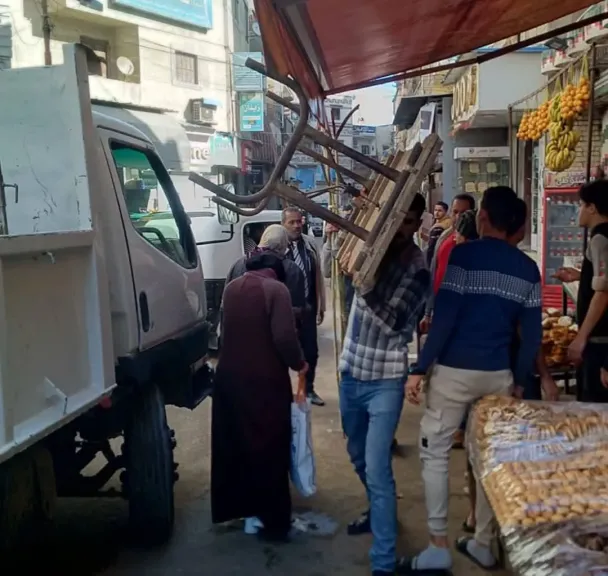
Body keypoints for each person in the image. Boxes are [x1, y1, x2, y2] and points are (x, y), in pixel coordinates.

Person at [401, 186, 542, 573]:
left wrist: (419, 368)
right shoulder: (529, 269)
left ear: (482, 218)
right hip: (498, 375)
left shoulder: (463, 256)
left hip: (454, 373)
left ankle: (437, 544)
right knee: (489, 460)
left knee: (435, 452)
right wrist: (517, 381)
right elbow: (531, 335)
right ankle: (483, 543)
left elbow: (444, 319)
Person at [339, 193, 430, 576]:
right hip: (350, 371)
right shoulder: (370, 244)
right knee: (358, 457)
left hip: (385, 380)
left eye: (408, 223)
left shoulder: (418, 268)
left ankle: (384, 562)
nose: (399, 230)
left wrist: (363, 283)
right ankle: (381, 511)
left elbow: (394, 320)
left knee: (377, 468)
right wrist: (360, 208)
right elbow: (345, 236)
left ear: (417, 224)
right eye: (396, 220)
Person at [460, 198, 558, 536]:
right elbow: (528, 333)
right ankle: (500, 518)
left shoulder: (469, 260)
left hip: (476, 371)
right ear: (518, 228)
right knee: (507, 450)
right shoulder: (523, 269)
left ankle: (478, 517)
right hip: (507, 375)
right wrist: (538, 377)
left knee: (480, 449)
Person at [211, 252, 307, 542]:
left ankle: (245, 510)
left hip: (228, 379)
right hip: (264, 381)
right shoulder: (276, 289)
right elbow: (284, 337)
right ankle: (272, 520)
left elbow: (224, 332)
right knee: (268, 446)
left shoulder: (231, 288)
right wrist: (299, 363)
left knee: (236, 444)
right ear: (275, 272)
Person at [554, 179, 608, 403]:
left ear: (592, 208)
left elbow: (604, 292)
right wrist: (580, 275)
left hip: (601, 342)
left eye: (582, 205)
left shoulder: (601, 239)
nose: (578, 211)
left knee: (595, 411)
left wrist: (581, 338)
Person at [283, 207, 326, 406]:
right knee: (282, 353)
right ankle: (281, 392)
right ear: (283, 224)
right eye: (291, 222)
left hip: (307, 309)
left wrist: (321, 305)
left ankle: (308, 389)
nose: (296, 226)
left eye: (299, 221)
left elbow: (318, 276)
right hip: (284, 312)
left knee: (311, 352)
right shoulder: (278, 247)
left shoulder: (309, 245)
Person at [419, 193, 476, 334]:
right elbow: (434, 272)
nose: (458, 217)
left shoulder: (479, 243)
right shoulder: (444, 236)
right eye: (455, 212)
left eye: (463, 213)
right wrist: (428, 312)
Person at [226, 224, 306, 317]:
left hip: (242, 324)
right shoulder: (291, 268)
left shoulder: (239, 264)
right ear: (284, 242)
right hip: (276, 325)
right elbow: (296, 306)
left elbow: (227, 301)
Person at [426, 201, 451, 266]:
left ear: (446, 212)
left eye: (440, 211)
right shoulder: (445, 222)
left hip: (437, 257)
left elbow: (432, 246)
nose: (436, 213)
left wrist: (428, 263)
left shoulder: (439, 227)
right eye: (435, 210)